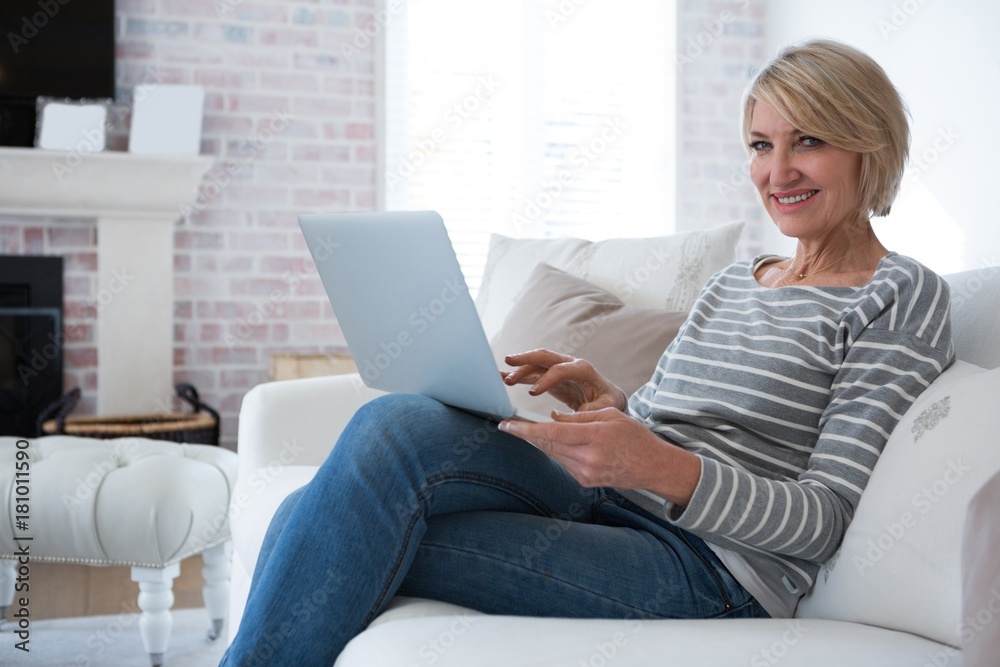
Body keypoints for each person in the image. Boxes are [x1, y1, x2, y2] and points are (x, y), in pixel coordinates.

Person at [220, 39, 954, 666]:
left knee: (308, 522)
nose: (778, 171)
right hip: (609, 502)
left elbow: (823, 518)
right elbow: (662, 423)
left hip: (710, 571)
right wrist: (609, 406)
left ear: (870, 144)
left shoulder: (899, 293)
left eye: (809, 142)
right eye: (762, 145)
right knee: (393, 428)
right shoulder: (739, 280)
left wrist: (655, 463)